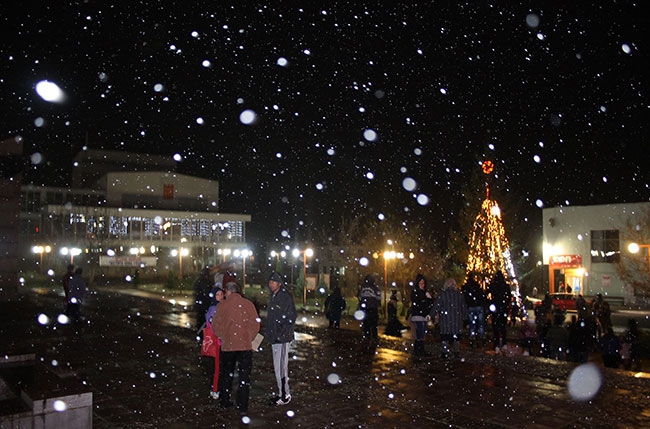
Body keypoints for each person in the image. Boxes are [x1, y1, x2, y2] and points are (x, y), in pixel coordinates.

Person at [212, 281, 259, 414]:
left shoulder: (222, 306)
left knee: (226, 375)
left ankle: (225, 401)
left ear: (229, 291)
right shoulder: (248, 304)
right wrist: (248, 336)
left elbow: (216, 325)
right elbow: (255, 324)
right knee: (244, 376)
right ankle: (242, 405)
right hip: (245, 346)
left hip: (228, 346)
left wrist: (223, 335)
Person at [266, 272, 297, 406]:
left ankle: (285, 395)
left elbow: (290, 317)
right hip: (275, 337)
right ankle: (281, 393)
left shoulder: (284, 297)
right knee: (277, 367)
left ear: (279, 283)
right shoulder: (274, 297)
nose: (271, 284)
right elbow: (272, 318)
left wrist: (282, 332)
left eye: (273, 282)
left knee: (281, 368)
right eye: (270, 281)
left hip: (282, 338)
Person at [431, 278, 468, 358]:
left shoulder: (442, 295)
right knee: (456, 337)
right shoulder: (459, 295)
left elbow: (436, 306)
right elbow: (463, 307)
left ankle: (445, 352)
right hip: (456, 320)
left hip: (445, 320)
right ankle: (456, 352)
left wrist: (431, 315)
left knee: (445, 336)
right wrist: (465, 318)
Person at [205, 287, 224, 400]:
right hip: (217, 342)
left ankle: (216, 388)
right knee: (218, 367)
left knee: (219, 367)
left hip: (220, 341)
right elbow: (213, 326)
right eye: (218, 295)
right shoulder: (214, 309)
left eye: (221, 294)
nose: (220, 297)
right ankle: (215, 389)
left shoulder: (219, 307)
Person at [410, 273, 434, 356]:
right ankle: (419, 350)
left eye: (423, 283)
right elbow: (419, 302)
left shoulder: (424, 292)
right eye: (420, 283)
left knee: (421, 333)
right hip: (418, 315)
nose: (422, 285)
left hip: (422, 315)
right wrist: (426, 299)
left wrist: (428, 299)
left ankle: (418, 350)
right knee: (420, 333)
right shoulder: (416, 292)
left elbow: (430, 302)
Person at [487, 271, 511, 353]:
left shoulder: (493, 285)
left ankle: (496, 344)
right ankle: (504, 343)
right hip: (503, 308)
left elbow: (487, 294)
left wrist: (491, 303)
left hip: (495, 308)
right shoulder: (505, 286)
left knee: (496, 327)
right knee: (503, 326)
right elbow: (509, 296)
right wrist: (506, 302)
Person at [461, 273, 487, 348]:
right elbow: (481, 295)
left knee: (472, 325)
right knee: (481, 324)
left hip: (471, 307)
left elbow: (465, 297)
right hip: (478, 306)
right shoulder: (476, 286)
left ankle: (472, 338)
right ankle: (482, 338)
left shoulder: (466, 287)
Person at [358, 275, 381, 340]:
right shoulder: (375, 288)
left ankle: (366, 335)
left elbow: (359, 297)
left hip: (365, 308)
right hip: (373, 308)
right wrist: (377, 304)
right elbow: (378, 297)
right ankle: (374, 336)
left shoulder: (363, 287)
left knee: (366, 322)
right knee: (374, 323)